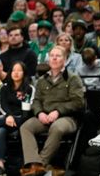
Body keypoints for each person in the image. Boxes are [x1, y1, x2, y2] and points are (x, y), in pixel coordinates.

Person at [19, 46, 85, 175]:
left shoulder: (72, 78)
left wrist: (58, 111)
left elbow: (78, 102)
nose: (54, 58)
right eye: (52, 56)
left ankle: (40, 164)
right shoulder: (42, 80)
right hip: (45, 116)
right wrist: (40, 113)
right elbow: (36, 101)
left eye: (58, 56)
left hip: (67, 118)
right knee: (25, 127)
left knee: (57, 127)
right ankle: (35, 164)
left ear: (65, 60)